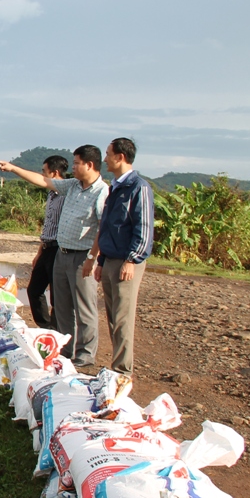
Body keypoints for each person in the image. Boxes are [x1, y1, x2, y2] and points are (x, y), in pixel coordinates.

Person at [0, 146, 108, 366]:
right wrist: (13, 168)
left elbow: (103, 228)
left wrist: (92, 258)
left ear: (89, 165)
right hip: (62, 254)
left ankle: (85, 354)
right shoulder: (72, 186)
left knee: (84, 307)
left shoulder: (102, 192)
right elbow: (43, 181)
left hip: (82, 256)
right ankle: (64, 349)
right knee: (62, 306)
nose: (73, 167)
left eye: (76, 163)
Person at [85, 137, 154, 376]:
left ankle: (123, 370)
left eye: (108, 154)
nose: (105, 159)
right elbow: (107, 226)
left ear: (120, 157)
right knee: (113, 316)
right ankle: (116, 367)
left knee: (123, 317)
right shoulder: (115, 187)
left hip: (126, 260)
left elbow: (143, 228)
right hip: (111, 259)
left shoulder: (138, 187)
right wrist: (101, 261)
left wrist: (132, 260)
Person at [26, 155, 68, 329]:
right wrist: (39, 252)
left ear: (55, 172)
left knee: (56, 295)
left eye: (44, 171)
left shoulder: (66, 195)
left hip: (58, 250)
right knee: (34, 290)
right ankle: (46, 326)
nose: (42, 175)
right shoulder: (51, 195)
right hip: (46, 248)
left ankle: (57, 331)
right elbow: (48, 226)